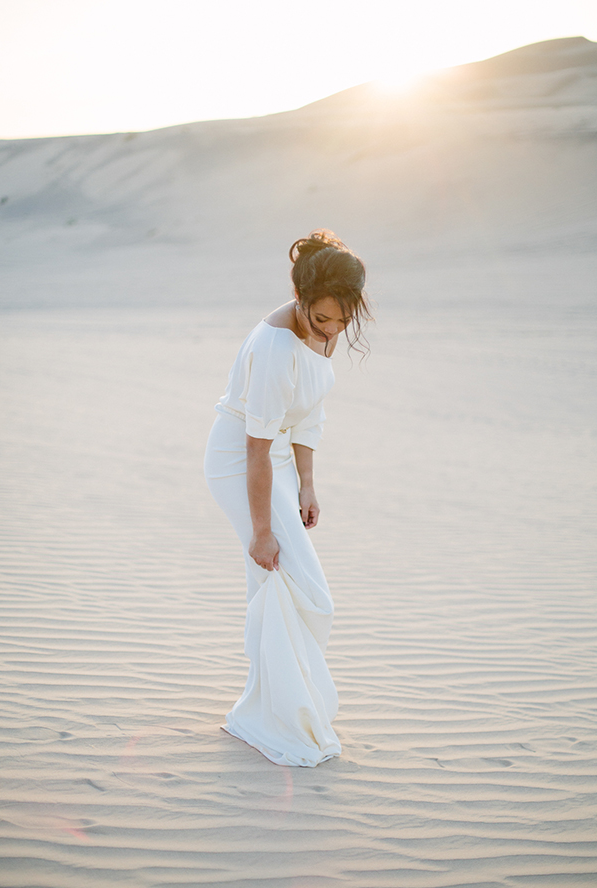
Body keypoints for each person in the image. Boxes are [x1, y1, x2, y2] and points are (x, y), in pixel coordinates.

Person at [204, 229, 371, 767]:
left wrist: (307, 483)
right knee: (303, 589)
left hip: (274, 461)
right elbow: (255, 447)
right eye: (323, 319)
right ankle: (270, 712)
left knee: (274, 587)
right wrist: (262, 529)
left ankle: (264, 708)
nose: (333, 330)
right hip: (241, 462)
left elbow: (309, 414)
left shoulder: (323, 324)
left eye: (343, 321)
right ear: (299, 299)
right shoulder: (278, 345)